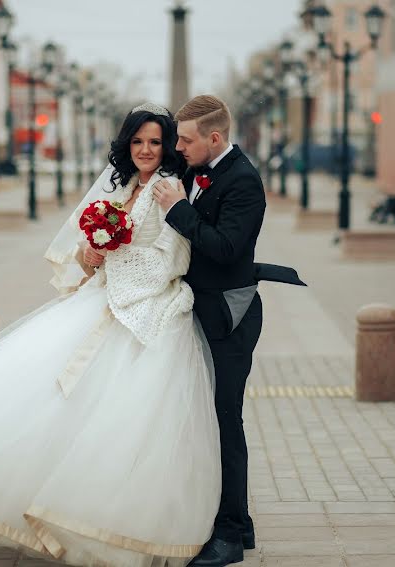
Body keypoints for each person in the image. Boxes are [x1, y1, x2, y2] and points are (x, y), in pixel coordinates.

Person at [0, 103, 222, 567]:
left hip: (150, 310)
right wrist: (93, 254)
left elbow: (174, 258)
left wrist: (116, 260)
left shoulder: (171, 189)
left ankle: (111, 522)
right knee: (50, 401)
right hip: (104, 297)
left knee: (123, 420)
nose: (146, 150)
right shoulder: (125, 186)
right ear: (126, 144)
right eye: (138, 141)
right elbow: (90, 248)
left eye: (155, 142)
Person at [153, 94, 267, 567]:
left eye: (185, 139)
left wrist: (179, 210)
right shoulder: (194, 171)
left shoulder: (244, 182)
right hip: (195, 308)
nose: (177, 147)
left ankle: (229, 538)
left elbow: (223, 248)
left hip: (229, 314)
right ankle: (238, 524)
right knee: (205, 419)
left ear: (214, 138)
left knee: (224, 421)